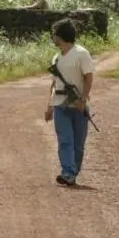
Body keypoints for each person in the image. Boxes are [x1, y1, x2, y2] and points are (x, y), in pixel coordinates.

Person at [44, 18, 94, 187]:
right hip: (60, 105)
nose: (53, 38)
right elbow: (54, 84)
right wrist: (49, 106)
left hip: (78, 106)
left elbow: (88, 77)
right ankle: (68, 172)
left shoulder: (81, 53)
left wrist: (83, 98)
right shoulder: (56, 58)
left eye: (54, 35)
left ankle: (72, 172)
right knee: (65, 140)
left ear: (60, 36)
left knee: (78, 144)